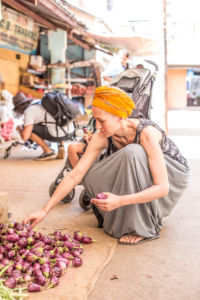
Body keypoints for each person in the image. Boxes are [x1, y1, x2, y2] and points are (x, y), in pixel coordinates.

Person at [23, 86, 189, 245]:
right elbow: (75, 175)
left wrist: (120, 200)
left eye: (102, 120)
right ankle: (118, 215)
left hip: (172, 175)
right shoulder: (102, 136)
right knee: (89, 172)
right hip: (141, 171)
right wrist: (44, 210)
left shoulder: (147, 133)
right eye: (95, 120)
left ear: (120, 117)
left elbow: (162, 188)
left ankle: (142, 228)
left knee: (132, 152)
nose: (97, 127)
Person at [13, 92, 74, 161]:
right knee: (54, 121)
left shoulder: (29, 111)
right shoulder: (39, 102)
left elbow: (25, 137)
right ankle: (61, 147)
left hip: (59, 134)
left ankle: (48, 152)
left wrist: (20, 129)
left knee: (29, 130)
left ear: (19, 108)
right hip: (70, 131)